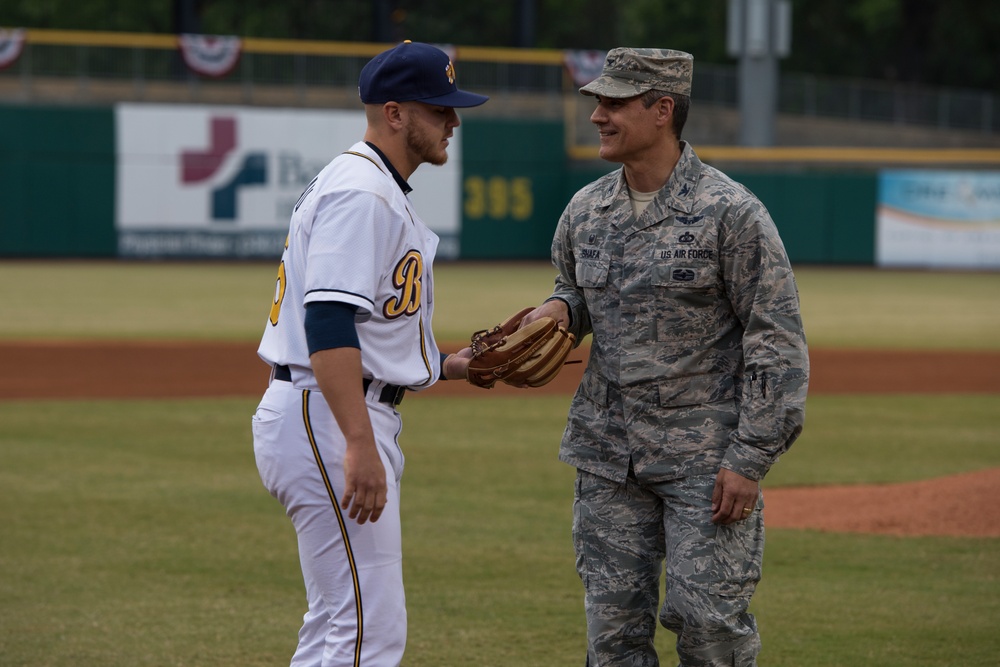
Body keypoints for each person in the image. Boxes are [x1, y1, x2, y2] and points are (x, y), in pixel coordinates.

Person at [521, 48, 809, 666]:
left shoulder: (732, 214)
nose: (598, 115)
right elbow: (577, 294)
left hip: (704, 461)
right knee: (613, 634)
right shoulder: (586, 211)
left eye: (614, 103)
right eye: (598, 102)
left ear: (662, 109)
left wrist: (750, 458)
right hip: (607, 454)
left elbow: (776, 342)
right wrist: (558, 313)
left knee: (711, 629)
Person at [251, 41, 486, 667]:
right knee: (368, 630)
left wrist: (448, 364)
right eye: (440, 109)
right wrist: (358, 442)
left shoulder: (374, 184)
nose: (453, 122)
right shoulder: (363, 192)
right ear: (396, 112)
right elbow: (326, 320)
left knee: (337, 619)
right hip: (327, 416)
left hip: (322, 412)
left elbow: (372, 327)